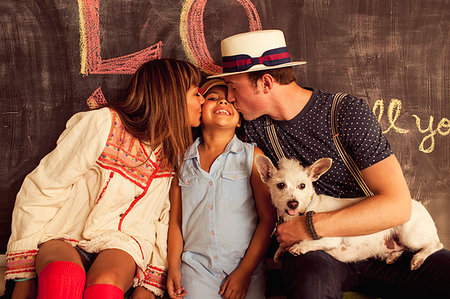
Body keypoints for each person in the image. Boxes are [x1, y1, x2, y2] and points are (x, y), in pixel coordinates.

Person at [208, 30, 450, 298]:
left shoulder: (346, 113)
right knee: (312, 286)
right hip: (318, 253)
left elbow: (398, 205)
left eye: (234, 86)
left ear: (265, 82)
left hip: (384, 243)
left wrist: (311, 225)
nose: (229, 97)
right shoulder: (254, 129)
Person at [5, 58, 205, 299]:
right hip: (66, 234)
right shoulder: (104, 123)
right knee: (63, 277)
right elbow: (43, 187)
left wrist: (148, 286)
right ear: (172, 97)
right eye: (196, 94)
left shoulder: (175, 154)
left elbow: (164, 221)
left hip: (122, 245)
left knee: (105, 288)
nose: (203, 101)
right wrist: (23, 276)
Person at [166, 79, 276, 299]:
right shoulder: (180, 160)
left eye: (231, 101)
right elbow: (176, 221)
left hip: (247, 268)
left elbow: (268, 219)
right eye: (212, 98)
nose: (223, 101)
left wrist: (244, 272)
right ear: (199, 112)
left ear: (238, 121)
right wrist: (174, 266)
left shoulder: (252, 157)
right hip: (196, 269)